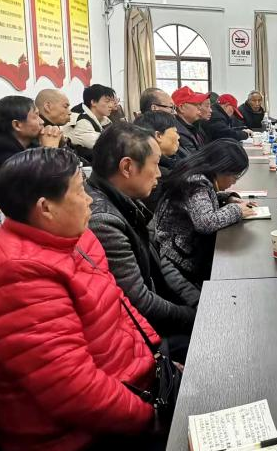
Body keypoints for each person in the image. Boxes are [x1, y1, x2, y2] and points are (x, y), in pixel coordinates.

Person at [0, 147, 164, 451]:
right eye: (80, 191)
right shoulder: (18, 276)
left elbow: (117, 303)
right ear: (46, 208)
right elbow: (74, 391)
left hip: (133, 386)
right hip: (76, 439)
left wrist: (157, 353)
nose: (90, 200)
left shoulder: (71, 235)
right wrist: (151, 417)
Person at [86, 123, 197, 344]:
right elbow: (140, 303)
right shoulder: (103, 221)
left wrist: (194, 301)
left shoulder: (124, 199)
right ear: (127, 167)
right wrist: (196, 317)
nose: (159, 174)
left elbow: (157, 261)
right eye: (155, 164)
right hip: (142, 336)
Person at [155, 139, 256, 285]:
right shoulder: (195, 182)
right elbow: (205, 222)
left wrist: (227, 198)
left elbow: (201, 201)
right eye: (234, 176)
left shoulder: (197, 175)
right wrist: (237, 211)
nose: (234, 182)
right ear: (222, 169)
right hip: (177, 262)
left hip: (185, 254)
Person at [0, 96, 61, 190]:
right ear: (17, 125)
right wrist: (50, 150)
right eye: (36, 116)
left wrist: (61, 143)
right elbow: (37, 186)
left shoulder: (28, 141)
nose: (42, 121)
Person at [135, 111, 180, 210]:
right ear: (158, 135)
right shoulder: (157, 177)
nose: (178, 137)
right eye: (175, 132)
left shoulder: (167, 164)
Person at [63, 84, 115, 158]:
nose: (111, 105)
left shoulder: (103, 119)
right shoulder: (81, 121)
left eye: (112, 101)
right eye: (107, 101)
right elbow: (106, 146)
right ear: (93, 102)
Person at [172, 86, 208, 158]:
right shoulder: (179, 133)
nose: (200, 108)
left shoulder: (193, 126)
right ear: (181, 107)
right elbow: (195, 160)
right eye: (196, 104)